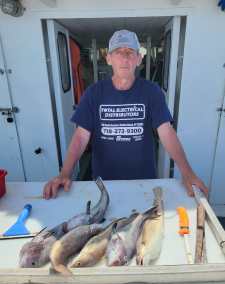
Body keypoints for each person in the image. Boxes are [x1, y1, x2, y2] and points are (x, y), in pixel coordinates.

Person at [43, 29, 208, 199]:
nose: (125, 57)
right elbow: (80, 137)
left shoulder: (152, 91)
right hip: (103, 183)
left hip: (144, 182)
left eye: (130, 52)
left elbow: (166, 132)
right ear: (108, 58)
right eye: (118, 52)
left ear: (139, 59)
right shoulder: (93, 93)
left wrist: (187, 173)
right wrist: (65, 174)